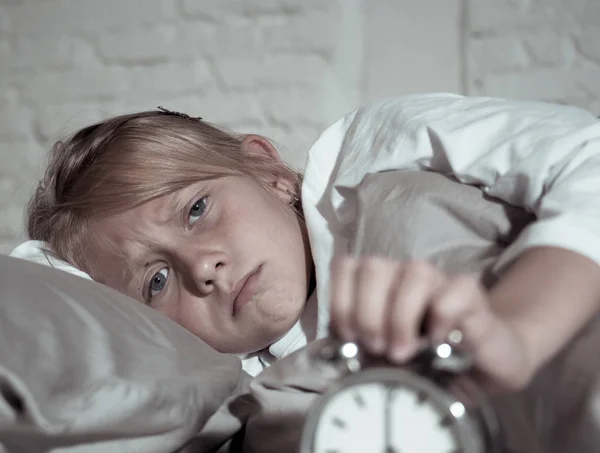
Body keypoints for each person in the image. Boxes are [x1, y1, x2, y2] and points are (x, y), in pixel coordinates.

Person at [24, 94, 600, 394]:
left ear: (268, 173)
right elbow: (41, 302)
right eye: (156, 281)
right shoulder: (239, 382)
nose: (203, 267)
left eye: (197, 210)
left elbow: (587, 158)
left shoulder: (370, 155)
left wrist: (520, 331)